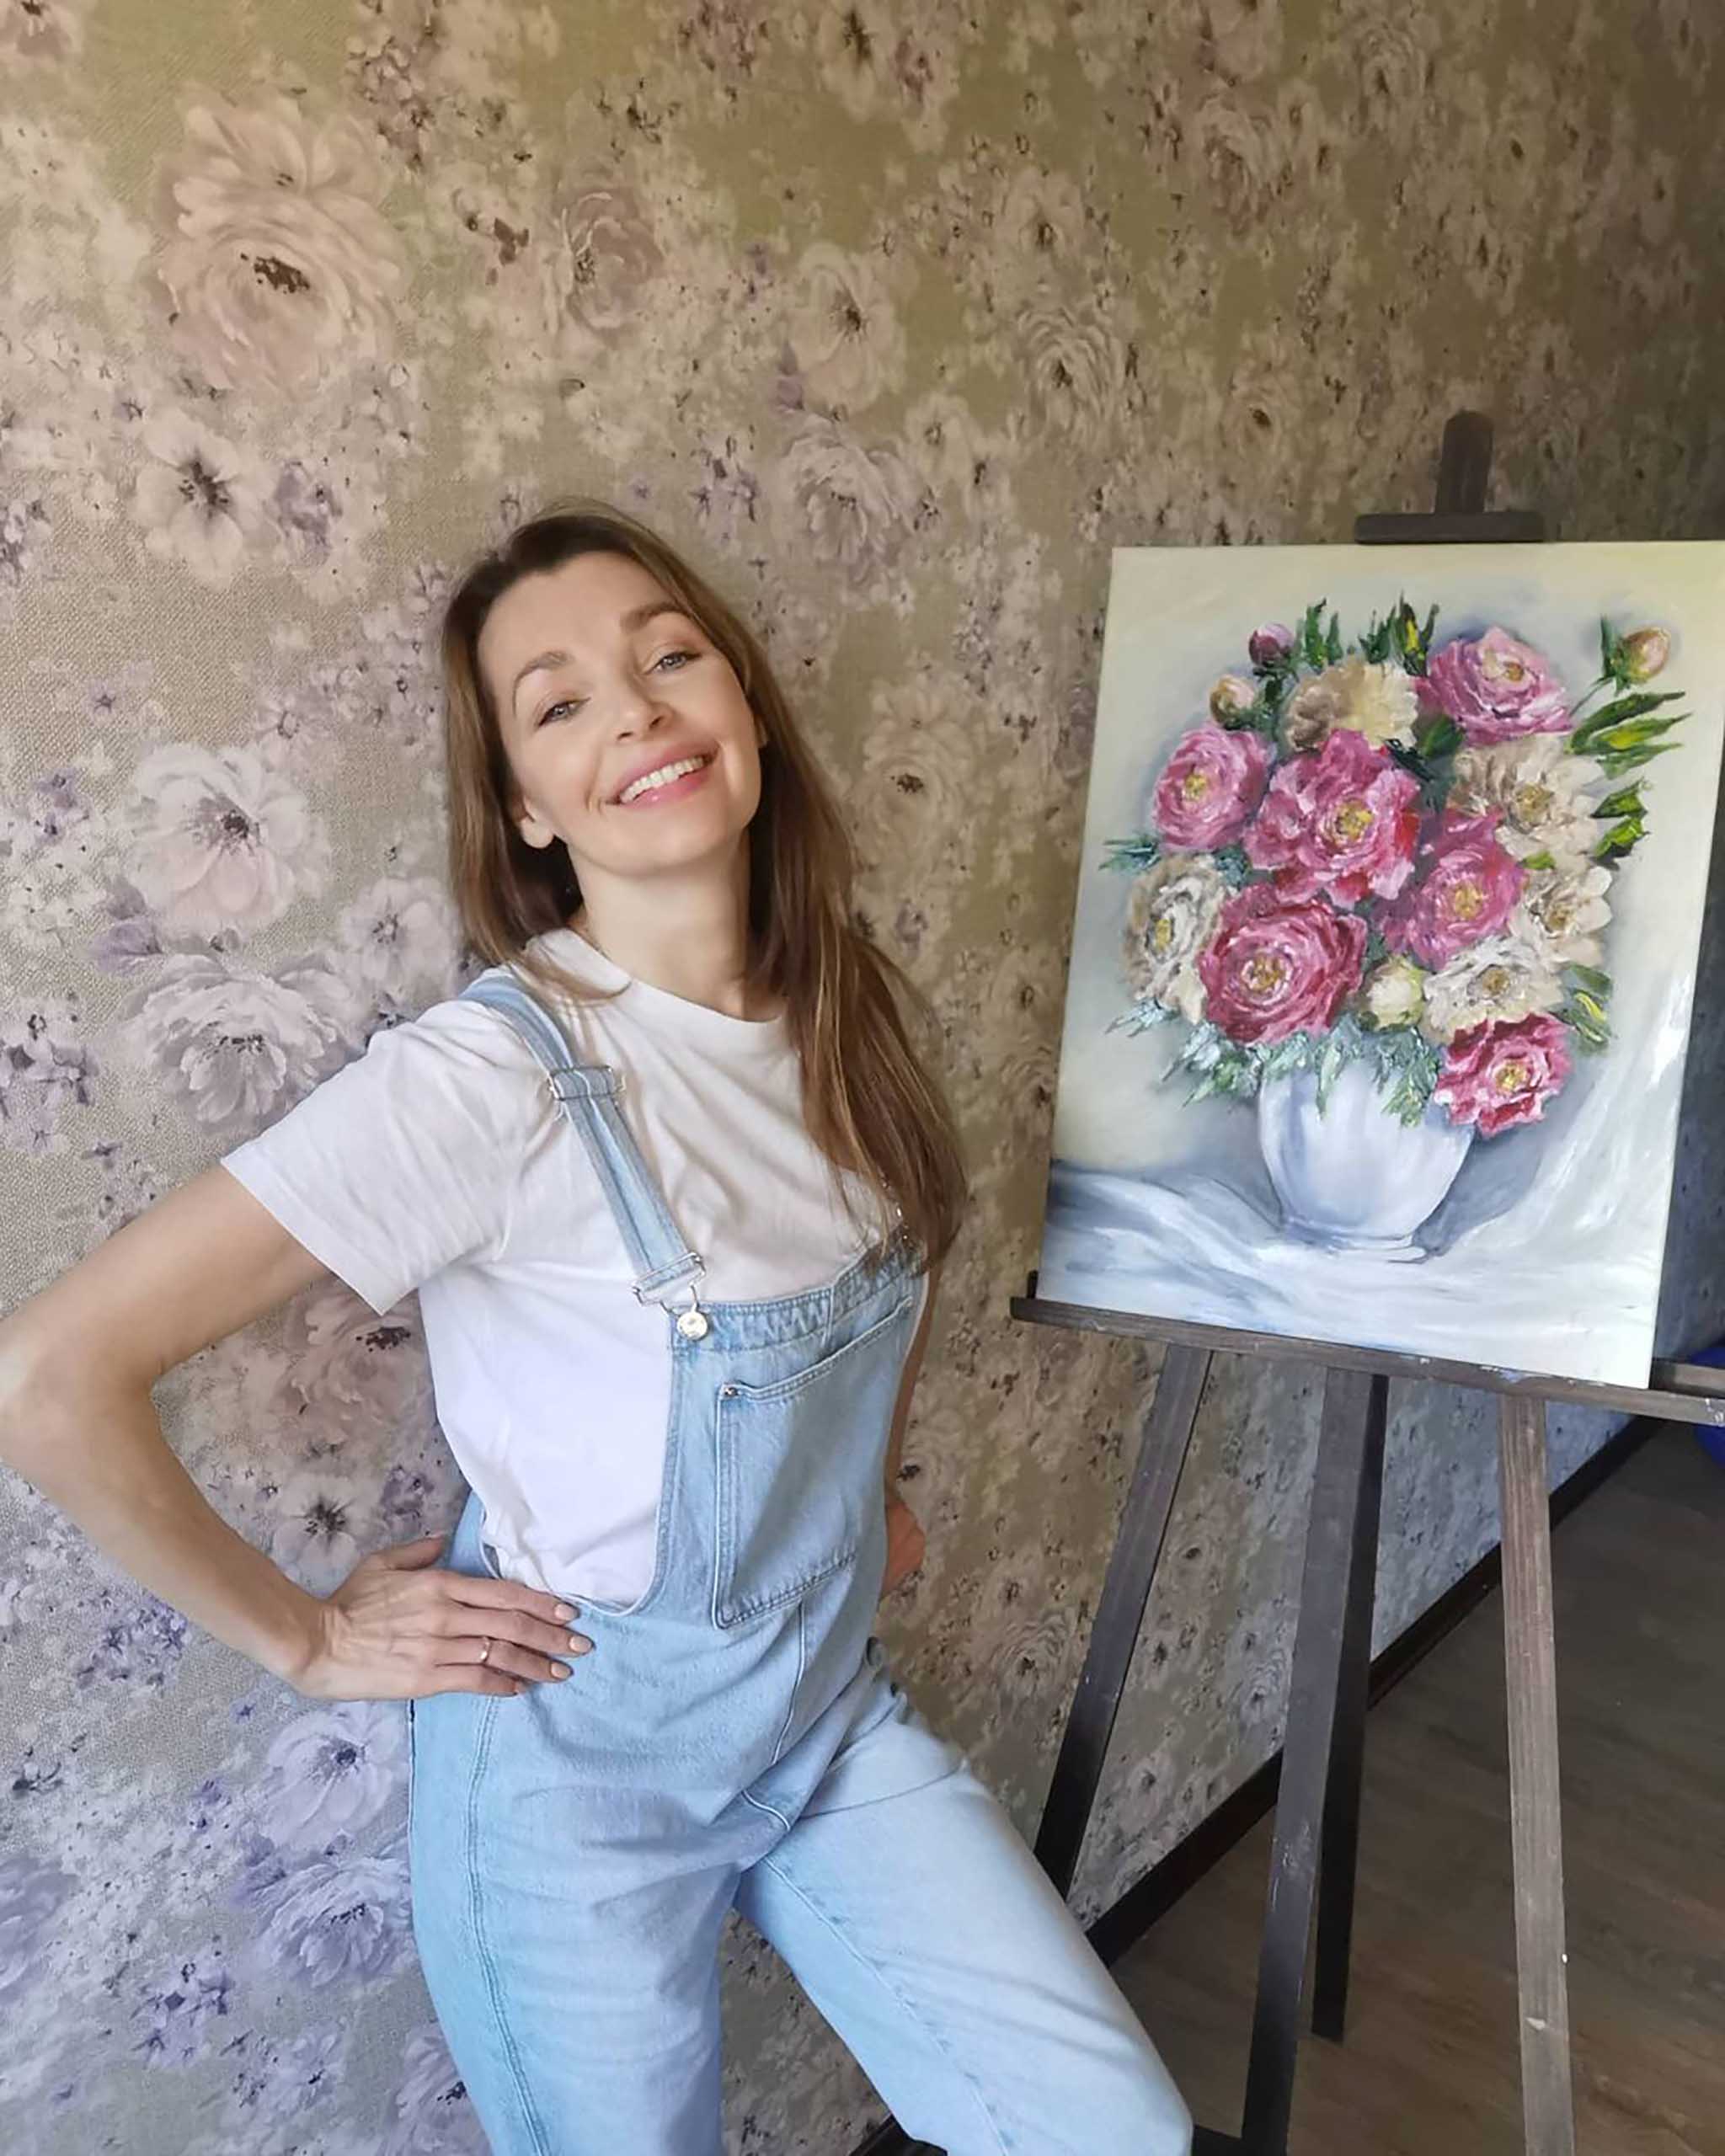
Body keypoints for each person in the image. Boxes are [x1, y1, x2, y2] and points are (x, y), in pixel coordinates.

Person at [0, 500, 1194, 2156]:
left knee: (1107, 2126)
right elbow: (49, 1376)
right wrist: (310, 1642)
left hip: (820, 1714)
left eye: (669, 656)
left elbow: (885, 1265)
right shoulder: (492, 1078)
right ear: (526, 805)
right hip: (576, 1789)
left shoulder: (846, 1004)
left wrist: (865, 1491)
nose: (634, 710)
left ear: (743, 704)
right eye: (559, 702)